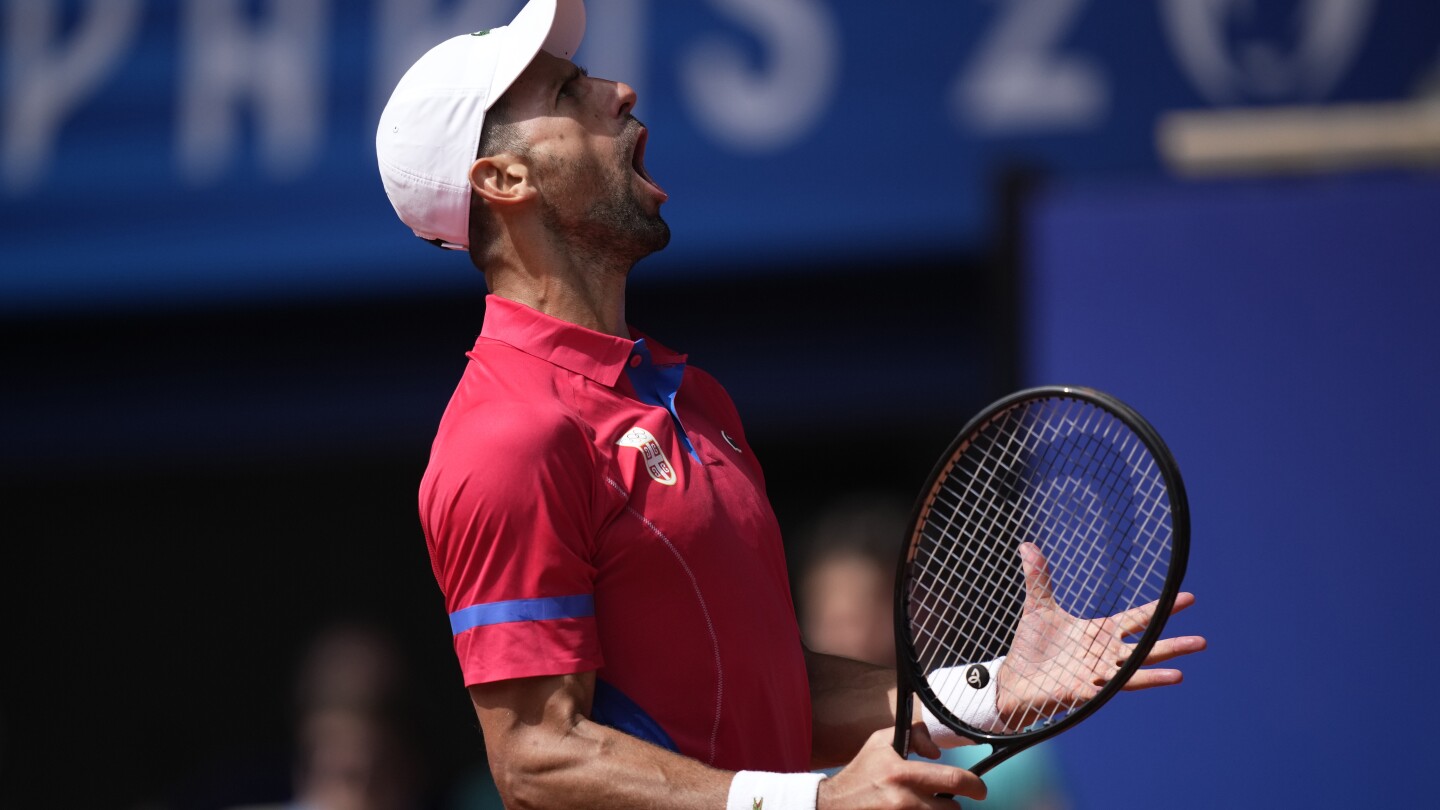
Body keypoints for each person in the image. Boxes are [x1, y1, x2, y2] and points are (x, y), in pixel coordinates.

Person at [374, 2, 1207, 808]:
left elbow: (763, 689)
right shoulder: (509, 436)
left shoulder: (693, 398)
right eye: (566, 93)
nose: (618, 92)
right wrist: (813, 803)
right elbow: (537, 756)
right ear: (504, 178)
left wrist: (988, 690)